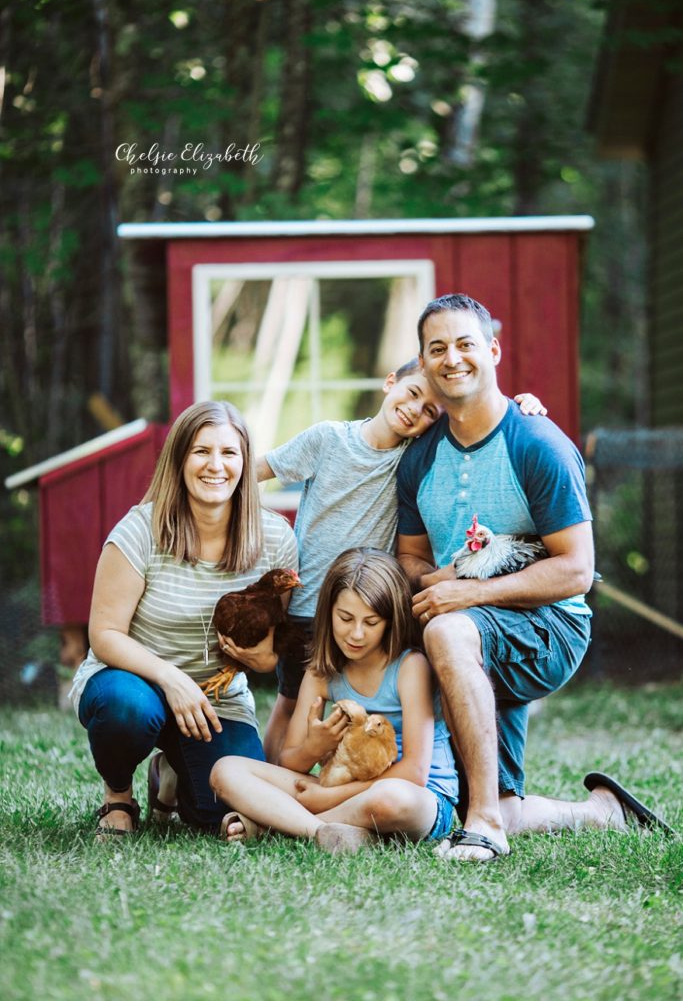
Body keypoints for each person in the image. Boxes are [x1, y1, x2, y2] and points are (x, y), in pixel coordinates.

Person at [397, 293, 671, 862]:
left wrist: (470, 593)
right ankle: (598, 813)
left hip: (549, 628)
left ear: (493, 350)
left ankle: (484, 828)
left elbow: (577, 570)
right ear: (422, 363)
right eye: (437, 348)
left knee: (447, 632)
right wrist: (444, 582)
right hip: (474, 624)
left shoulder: (538, 444)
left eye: (466, 344)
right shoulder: (419, 459)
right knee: (497, 794)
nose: (453, 359)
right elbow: (411, 561)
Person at [257, 357, 546, 761]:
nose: (415, 410)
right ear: (390, 382)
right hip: (307, 607)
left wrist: (519, 408)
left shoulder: (414, 459)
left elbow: (479, 419)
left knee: (369, 705)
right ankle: (271, 786)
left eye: (430, 411)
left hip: (370, 609)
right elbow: (254, 470)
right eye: (412, 393)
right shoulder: (327, 439)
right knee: (291, 703)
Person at [71, 400, 298, 838]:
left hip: (216, 699)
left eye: (229, 453)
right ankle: (118, 795)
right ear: (179, 459)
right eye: (201, 451)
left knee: (222, 814)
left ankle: (169, 774)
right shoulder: (140, 530)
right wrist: (171, 679)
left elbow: (273, 647)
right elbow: (104, 635)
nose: (216, 465)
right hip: (132, 679)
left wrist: (264, 660)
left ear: (245, 462)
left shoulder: (274, 538)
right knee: (127, 710)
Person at [209, 547, 458, 852]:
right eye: (345, 618)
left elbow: (414, 773)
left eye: (371, 622)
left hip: (419, 797)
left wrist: (327, 798)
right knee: (226, 770)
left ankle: (277, 825)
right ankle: (322, 831)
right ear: (328, 612)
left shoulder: (409, 667)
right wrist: (316, 746)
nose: (356, 634)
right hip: (338, 788)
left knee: (390, 799)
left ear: (391, 621)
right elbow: (290, 761)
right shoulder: (320, 673)